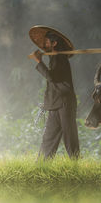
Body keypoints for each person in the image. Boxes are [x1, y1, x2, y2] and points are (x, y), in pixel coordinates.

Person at [29, 27, 79, 160]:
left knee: (70, 137)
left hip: (64, 103)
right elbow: (53, 79)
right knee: (49, 137)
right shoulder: (55, 58)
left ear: (54, 43)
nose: (44, 45)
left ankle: (75, 166)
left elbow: (52, 77)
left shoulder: (60, 58)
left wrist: (39, 61)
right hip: (55, 103)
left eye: (46, 42)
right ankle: (41, 168)